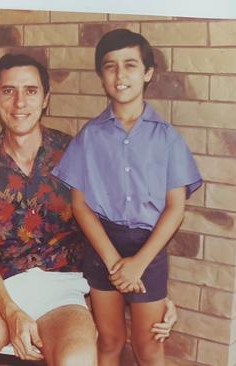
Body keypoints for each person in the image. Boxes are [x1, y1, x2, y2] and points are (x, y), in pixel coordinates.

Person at [0, 53, 179, 366]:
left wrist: (152, 293)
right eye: (8, 91)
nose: (19, 103)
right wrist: (12, 312)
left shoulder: (75, 153)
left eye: (31, 91)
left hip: (62, 291)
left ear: (45, 99)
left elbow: (114, 227)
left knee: (77, 361)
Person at [52, 29, 202, 366]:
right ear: (101, 76)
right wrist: (112, 262)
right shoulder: (89, 136)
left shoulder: (167, 138)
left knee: (147, 345)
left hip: (148, 249)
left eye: (130, 65)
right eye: (110, 66)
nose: (120, 75)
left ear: (148, 73)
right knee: (109, 340)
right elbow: (80, 205)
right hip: (103, 246)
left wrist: (138, 263)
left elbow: (175, 208)